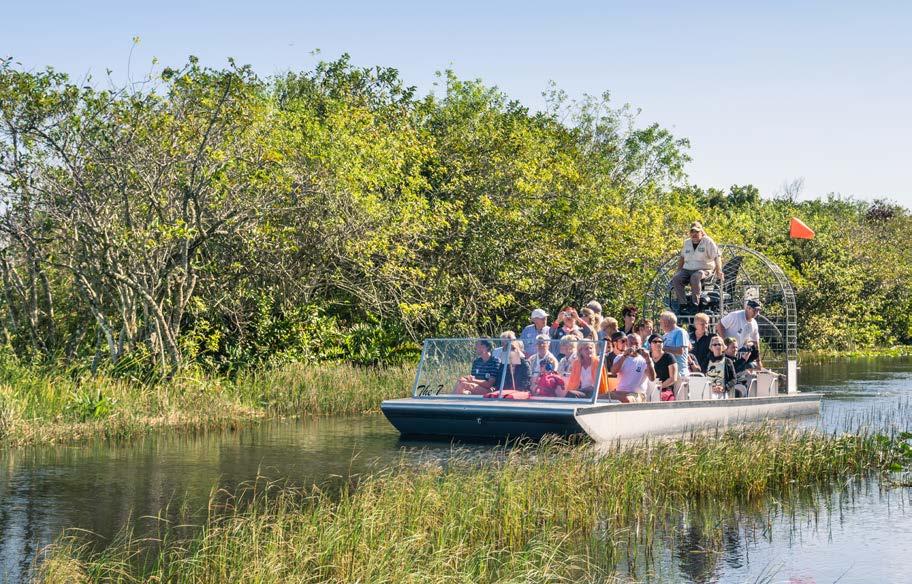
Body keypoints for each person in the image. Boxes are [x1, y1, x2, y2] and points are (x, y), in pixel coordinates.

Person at [672, 221, 723, 313]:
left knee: (695, 276)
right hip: (687, 269)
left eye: (697, 232)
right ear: (690, 233)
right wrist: (678, 271)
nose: (694, 234)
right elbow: (682, 258)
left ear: (701, 232)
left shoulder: (707, 241)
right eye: (692, 232)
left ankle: (695, 304)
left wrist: (719, 270)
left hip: (704, 269)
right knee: (676, 278)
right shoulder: (687, 242)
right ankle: (683, 304)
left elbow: (717, 256)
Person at [716, 299, 763, 368]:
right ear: (748, 308)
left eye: (759, 310)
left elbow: (756, 342)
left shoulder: (754, 323)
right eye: (755, 310)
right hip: (726, 351)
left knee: (749, 367)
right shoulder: (735, 316)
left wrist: (758, 361)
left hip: (737, 352)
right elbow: (720, 325)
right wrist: (724, 343)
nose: (757, 313)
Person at [609, 333, 655, 403]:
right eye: (631, 343)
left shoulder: (645, 359)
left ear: (640, 344)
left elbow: (652, 378)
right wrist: (624, 356)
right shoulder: (619, 357)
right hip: (620, 392)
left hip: (638, 394)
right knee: (601, 397)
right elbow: (613, 372)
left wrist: (648, 360)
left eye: (636, 343)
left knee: (626, 399)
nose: (634, 346)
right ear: (627, 344)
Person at [659, 311, 690, 379]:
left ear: (666, 322)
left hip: (680, 373)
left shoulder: (680, 332)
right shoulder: (665, 335)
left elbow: (680, 351)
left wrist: (662, 348)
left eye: (661, 322)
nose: (660, 325)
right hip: (669, 373)